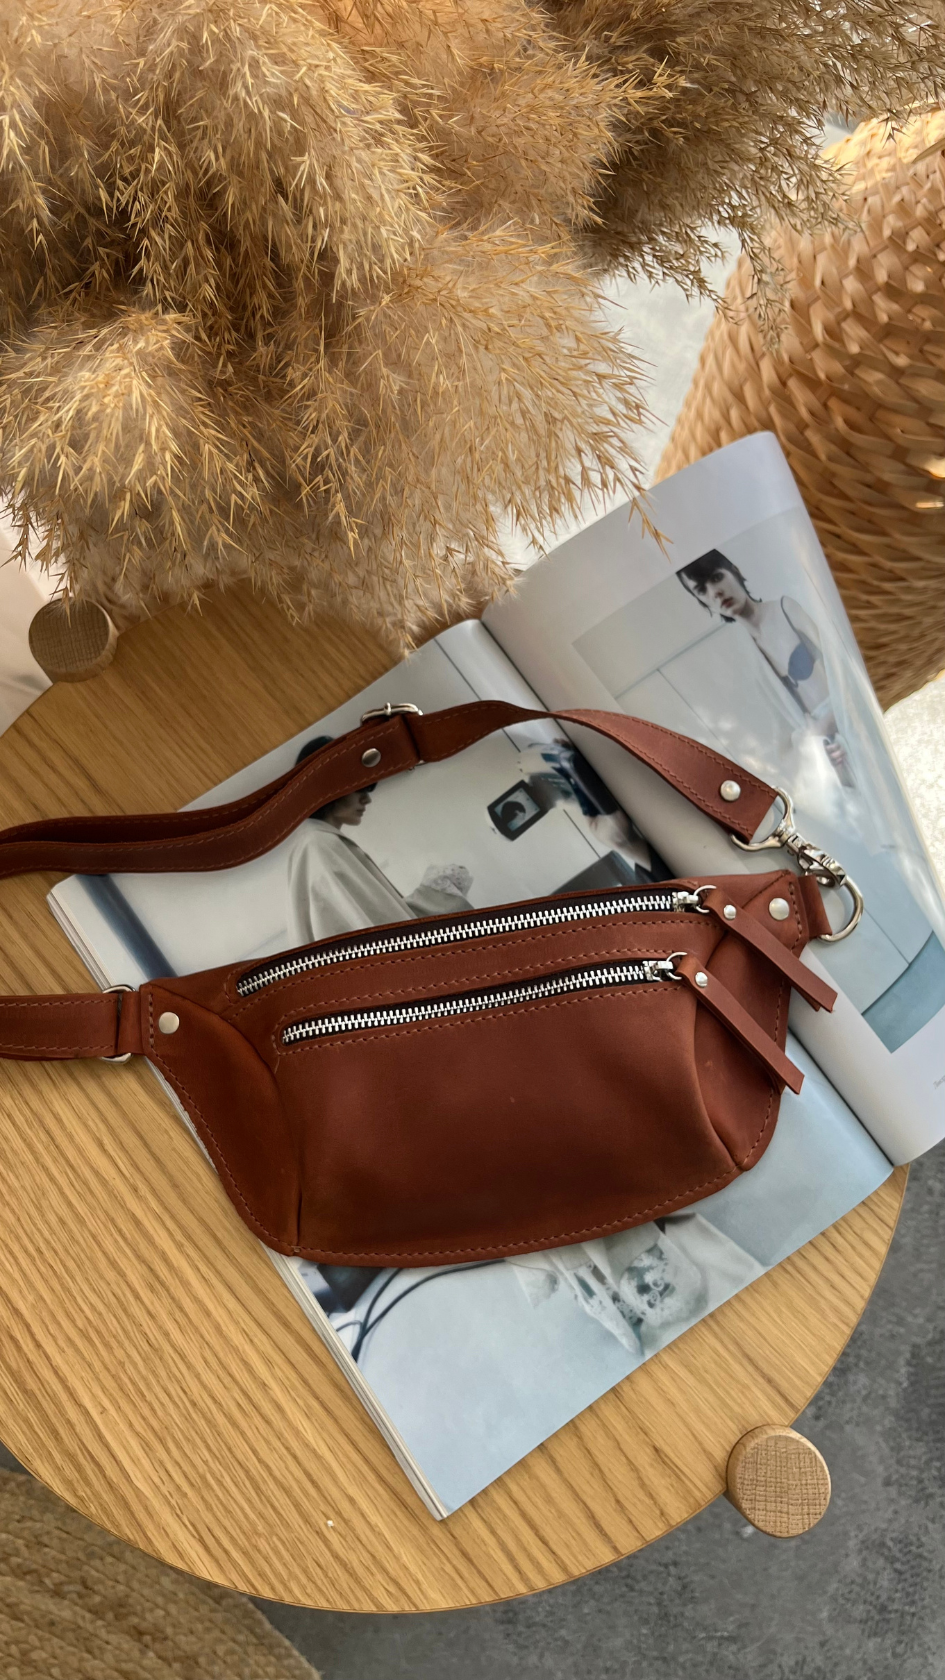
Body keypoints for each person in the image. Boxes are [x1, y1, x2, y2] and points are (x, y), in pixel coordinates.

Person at [678, 550, 852, 782]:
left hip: (854, 724)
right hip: (834, 757)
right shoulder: (749, 659)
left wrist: (822, 728)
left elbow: (846, 673)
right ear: (701, 601)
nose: (715, 592)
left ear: (734, 571)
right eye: (702, 590)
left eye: (717, 577)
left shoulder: (786, 609)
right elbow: (783, 739)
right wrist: (817, 748)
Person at [285, 736, 473, 945]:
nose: (367, 798)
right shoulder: (320, 847)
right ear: (329, 788)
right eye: (359, 787)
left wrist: (432, 894)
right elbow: (370, 938)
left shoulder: (317, 844)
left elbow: (378, 920)